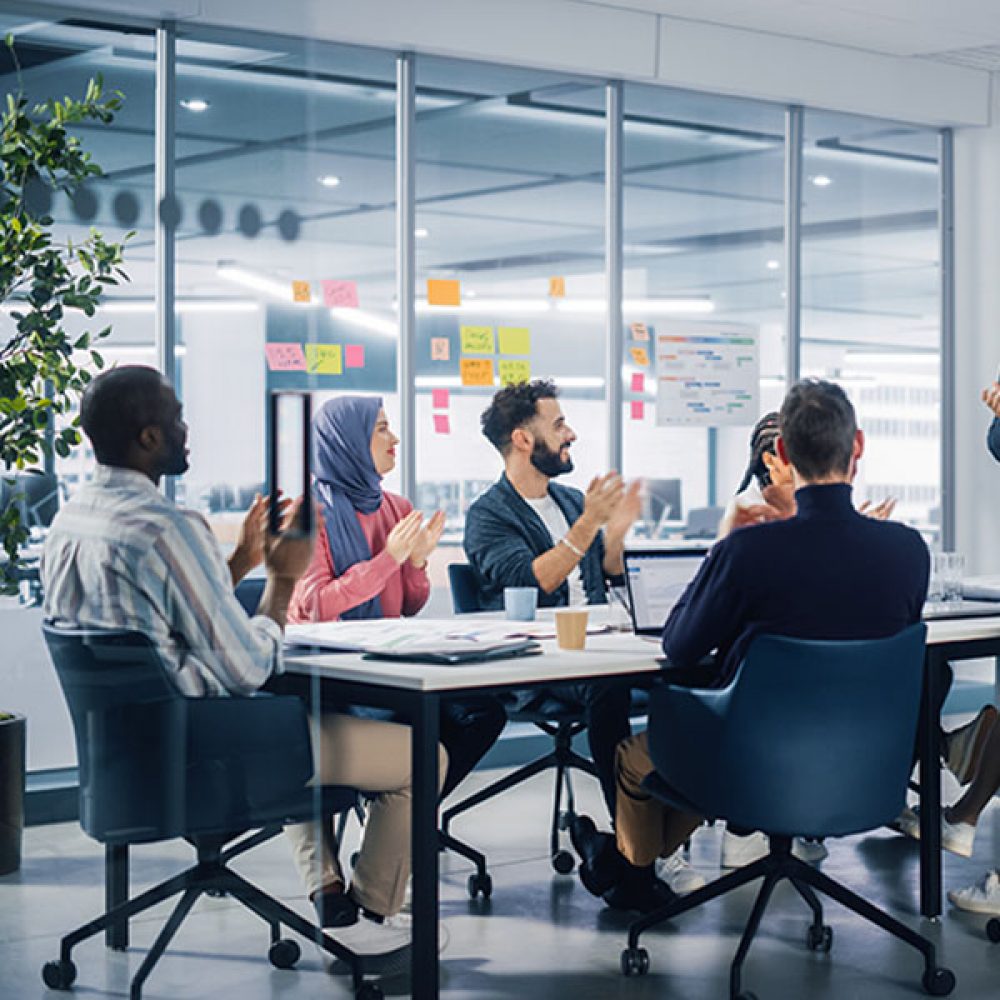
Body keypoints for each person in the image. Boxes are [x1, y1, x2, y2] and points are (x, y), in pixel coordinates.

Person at [41, 366, 446, 955]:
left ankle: (332, 892)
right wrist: (280, 579)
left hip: (125, 758)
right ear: (148, 437)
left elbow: (159, 626)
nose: (186, 428)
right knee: (420, 756)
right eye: (175, 416)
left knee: (303, 711)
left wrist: (234, 564)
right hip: (211, 750)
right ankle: (370, 915)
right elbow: (248, 668)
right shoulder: (167, 528)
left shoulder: (70, 522)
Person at [573, 379, 930, 911]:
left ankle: (628, 872)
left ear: (782, 453)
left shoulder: (750, 549)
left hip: (753, 763)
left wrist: (726, 544)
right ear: (857, 446)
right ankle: (618, 866)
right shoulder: (908, 551)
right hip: (867, 764)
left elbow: (680, 646)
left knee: (635, 757)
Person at [463, 380, 703, 899]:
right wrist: (591, 523)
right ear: (523, 439)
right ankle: (637, 859)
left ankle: (658, 837)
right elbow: (532, 579)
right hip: (539, 667)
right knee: (607, 690)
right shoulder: (489, 515)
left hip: (601, 646)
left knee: (687, 672)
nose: (570, 433)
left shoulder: (571, 500)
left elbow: (608, 575)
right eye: (558, 424)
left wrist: (614, 534)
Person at [285, 396, 506, 914]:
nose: (395, 439)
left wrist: (418, 564)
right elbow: (317, 605)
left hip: (381, 667)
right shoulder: (306, 512)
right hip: (324, 676)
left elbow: (407, 604)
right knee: (416, 740)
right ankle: (376, 844)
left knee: (480, 713)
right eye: (382, 429)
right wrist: (390, 558)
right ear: (347, 443)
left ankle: (391, 822)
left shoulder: (396, 507)